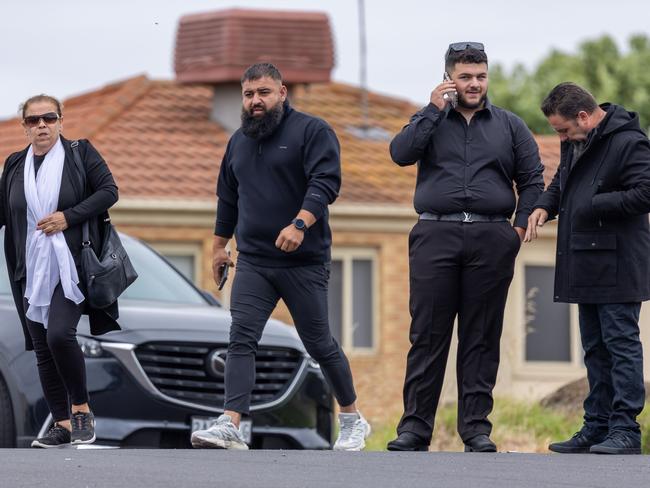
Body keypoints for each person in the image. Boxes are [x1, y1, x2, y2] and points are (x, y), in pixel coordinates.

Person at [190, 63, 371, 451]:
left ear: (282, 93)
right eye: (249, 94)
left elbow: (326, 183)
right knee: (241, 337)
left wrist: (300, 224)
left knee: (319, 342)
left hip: (303, 261)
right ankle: (230, 423)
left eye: (263, 93)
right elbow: (228, 197)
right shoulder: (238, 141)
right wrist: (220, 246)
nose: (256, 101)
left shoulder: (312, 131)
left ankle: (353, 419)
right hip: (254, 260)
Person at [387, 42, 544, 452]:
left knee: (481, 335)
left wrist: (518, 228)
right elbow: (400, 154)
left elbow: (532, 180)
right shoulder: (429, 120)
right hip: (435, 235)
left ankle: (476, 428)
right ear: (448, 79)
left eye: (480, 76)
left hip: (492, 240)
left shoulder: (510, 126)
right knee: (427, 334)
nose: (474, 84)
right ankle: (415, 429)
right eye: (465, 77)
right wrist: (432, 110)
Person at [526, 82, 650, 455]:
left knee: (620, 346)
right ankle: (596, 426)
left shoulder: (630, 143)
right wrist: (545, 206)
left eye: (562, 129)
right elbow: (564, 184)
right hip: (585, 260)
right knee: (594, 349)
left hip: (618, 263)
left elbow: (645, 193)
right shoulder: (575, 142)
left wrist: (594, 204)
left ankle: (625, 430)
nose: (559, 136)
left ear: (583, 116)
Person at [0, 95, 119, 448]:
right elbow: (5, 213)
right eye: (33, 120)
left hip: (71, 266)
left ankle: (80, 407)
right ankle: (63, 425)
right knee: (41, 348)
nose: (41, 125)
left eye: (48, 118)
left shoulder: (80, 154)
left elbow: (109, 191)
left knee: (59, 335)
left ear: (60, 121)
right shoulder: (16, 164)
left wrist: (69, 217)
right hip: (30, 268)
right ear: (24, 127)